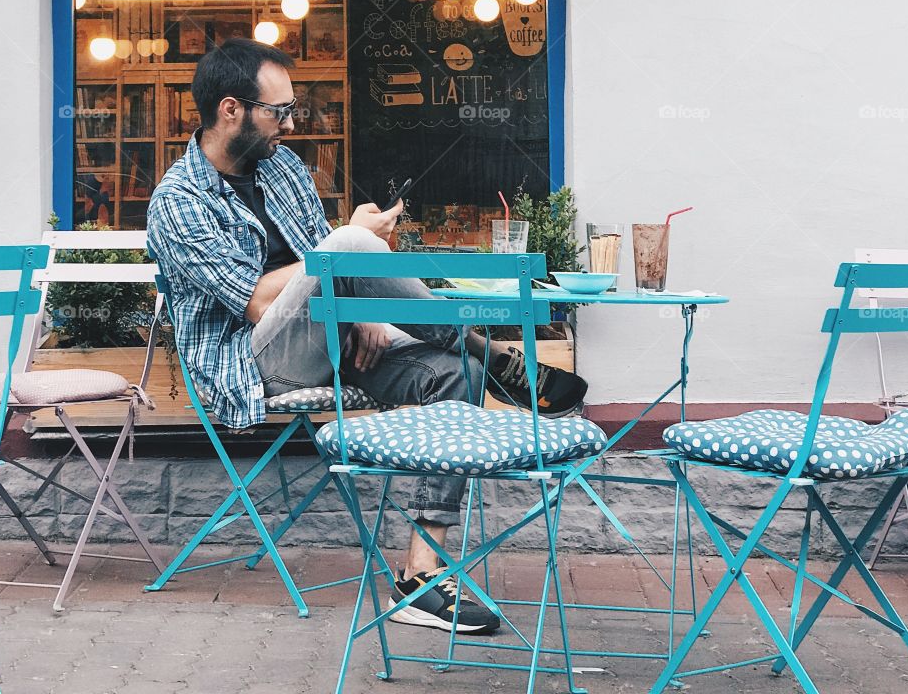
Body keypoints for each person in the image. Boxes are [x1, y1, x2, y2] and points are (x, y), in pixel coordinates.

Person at [146, 38, 587, 635]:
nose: (290, 123)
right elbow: (254, 302)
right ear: (232, 110)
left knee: (457, 376)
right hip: (256, 360)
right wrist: (346, 246)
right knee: (351, 242)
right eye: (279, 111)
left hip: (337, 338)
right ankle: (497, 352)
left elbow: (325, 271)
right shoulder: (177, 199)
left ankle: (420, 576)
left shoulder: (283, 167)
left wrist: (367, 311)